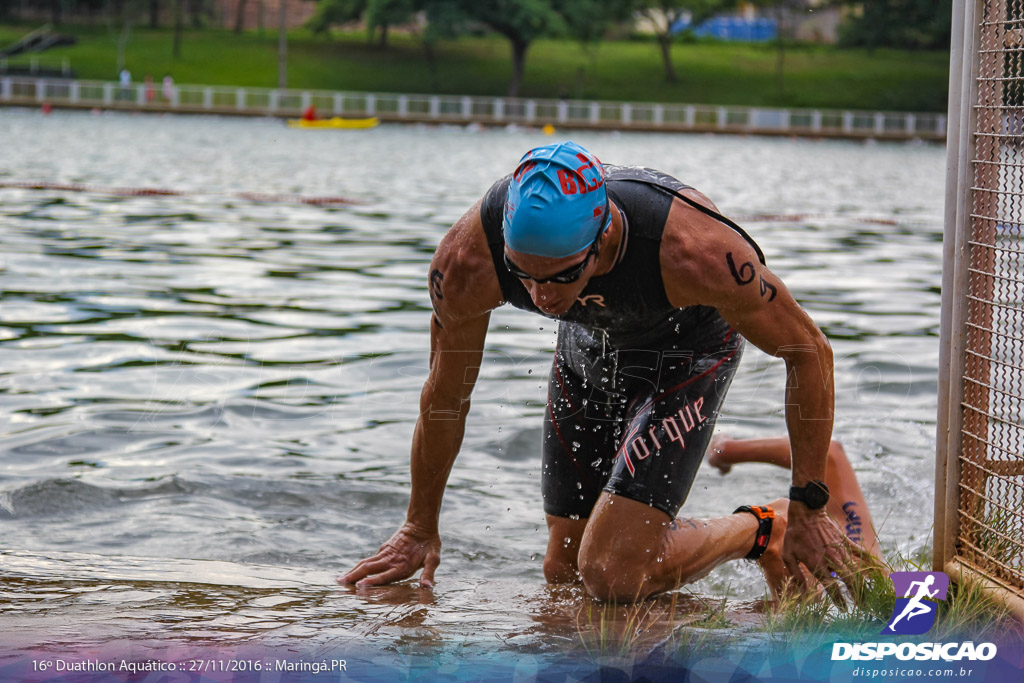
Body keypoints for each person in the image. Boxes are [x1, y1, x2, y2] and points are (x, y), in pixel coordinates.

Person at [341, 141, 874, 603]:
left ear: (604, 236)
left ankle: (762, 528)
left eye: (562, 277)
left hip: (688, 354)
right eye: (523, 277)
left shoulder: (696, 251)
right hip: (591, 350)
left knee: (612, 572)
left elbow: (809, 351)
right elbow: (445, 396)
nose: (543, 298)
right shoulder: (467, 263)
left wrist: (809, 506)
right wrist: (419, 526)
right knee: (565, 570)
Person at [706, 434, 884, 600]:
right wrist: (727, 450)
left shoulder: (808, 602)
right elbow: (831, 455)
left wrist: (724, 449)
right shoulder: (865, 560)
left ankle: (726, 450)